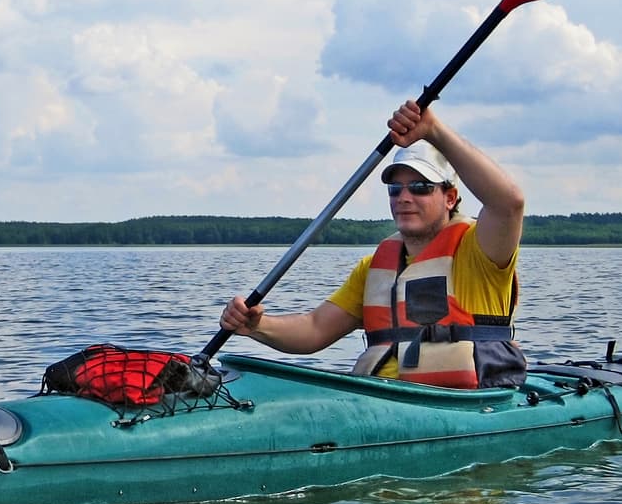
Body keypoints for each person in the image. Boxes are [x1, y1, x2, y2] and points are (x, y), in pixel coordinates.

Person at [219, 100, 527, 388]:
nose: (404, 197)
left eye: (420, 187)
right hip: (385, 399)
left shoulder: (479, 251)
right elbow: (314, 329)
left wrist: (434, 131)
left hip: (464, 402)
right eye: (396, 189)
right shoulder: (372, 270)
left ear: (449, 198)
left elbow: (509, 203)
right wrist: (257, 326)